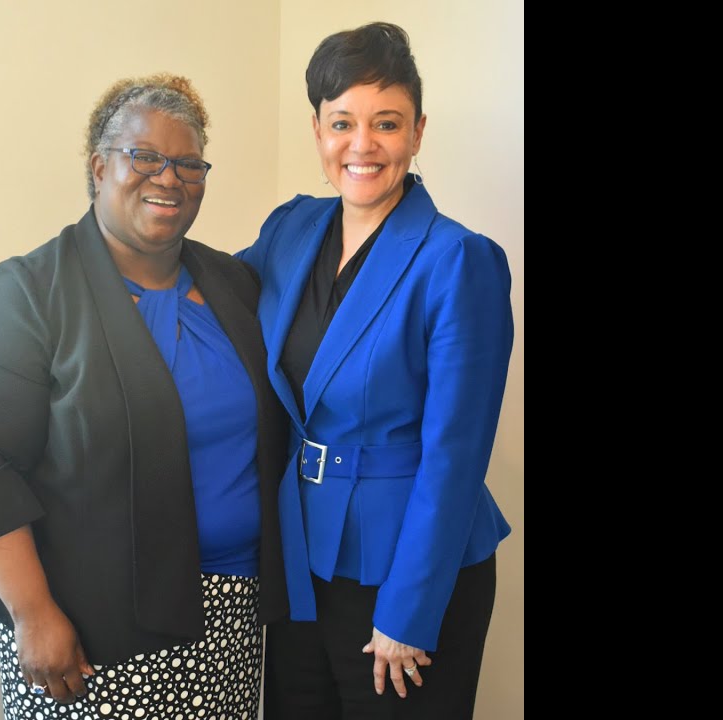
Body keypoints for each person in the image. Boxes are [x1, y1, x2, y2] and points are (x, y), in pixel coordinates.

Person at [0, 73, 288, 720]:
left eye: (189, 164)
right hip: (86, 626)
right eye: (145, 157)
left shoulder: (234, 284)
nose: (169, 178)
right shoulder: (31, 291)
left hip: (230, 617)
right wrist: (33, 612)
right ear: (99, 166)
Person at [236, 23, 514, 720]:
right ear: (317, 130)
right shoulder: (290, 229)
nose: (361, 145)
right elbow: (212, 296)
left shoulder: (459, 260)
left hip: (407, 571)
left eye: (386, 123)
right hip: (301, 557)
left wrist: (409, 611)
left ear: (417, 132)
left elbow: (455, 458)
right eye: (342, 123)